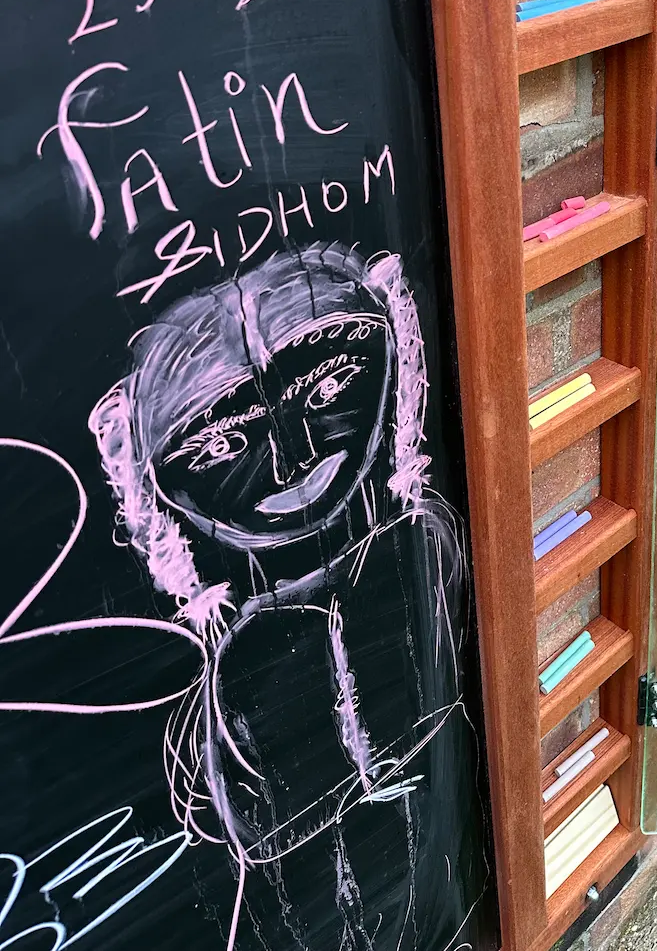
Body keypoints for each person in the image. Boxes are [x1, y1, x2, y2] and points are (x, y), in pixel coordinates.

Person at [89, 244, 491, 951]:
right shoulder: (237, 660)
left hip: (448, 883)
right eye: (219, 447)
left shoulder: (422, 549)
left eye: (331, 387)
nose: (290, 455)